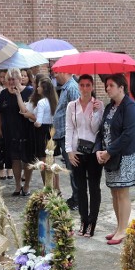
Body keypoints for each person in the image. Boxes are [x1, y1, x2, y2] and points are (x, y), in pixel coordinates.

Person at [96, 73, 135, 245]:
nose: (107, 88)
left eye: (111, 85)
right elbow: (102, 131)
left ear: (121, 87)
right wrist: (99, 150)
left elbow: (128, 135)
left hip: (126, 155)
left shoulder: (131, 107)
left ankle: (124, 230)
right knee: (114, 191)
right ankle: (119, 226)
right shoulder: (110, 107)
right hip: (110, 154)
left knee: (123, 192)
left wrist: (109, 151)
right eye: (106, 85)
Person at [65, 74, 103, 237]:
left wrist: (95, 112)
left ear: (92, 87)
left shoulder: (98, 105)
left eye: (88, 85)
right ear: (78, 86)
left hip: (93, 152)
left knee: (94, 188)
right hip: (77, 152)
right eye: (82, 85)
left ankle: (92, 222)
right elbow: (69, 128)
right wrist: (69, 151)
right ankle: (83, 219)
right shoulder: (71, 106)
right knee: (80, 189)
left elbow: (95, 129)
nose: (85, 88)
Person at [0, 68, 34, 196]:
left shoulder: (29, 92)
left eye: (14, 79)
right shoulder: (3, 94)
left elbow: (31, 111)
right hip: (10, 131)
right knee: (15, 159)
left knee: (27, 159)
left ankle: (27, 185)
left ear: (20, 79)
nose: (12, 81)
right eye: (10, 79)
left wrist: (18, 94)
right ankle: (18, 185)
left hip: (26, 130)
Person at [18, 76, 58, 189]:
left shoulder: (41, 102)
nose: (37, 88)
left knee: (43, 162)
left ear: (43, 88)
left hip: (41, 132)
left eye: (39, 86)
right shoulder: (53, 100)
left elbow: (38, 122)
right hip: (51, 130)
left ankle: (48, 187)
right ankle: (55, 187)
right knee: (51, 161)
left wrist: (31, 119)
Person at [53, 70, 80, 208]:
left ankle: (78, 199)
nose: (55, 76)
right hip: (64, 135)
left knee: (73, 168)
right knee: (71, 168)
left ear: (64, 72)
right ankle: (76, 196)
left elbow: (76, 113)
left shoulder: (72, 88)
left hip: (69, 136)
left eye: (56, 73)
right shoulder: (66, 88)